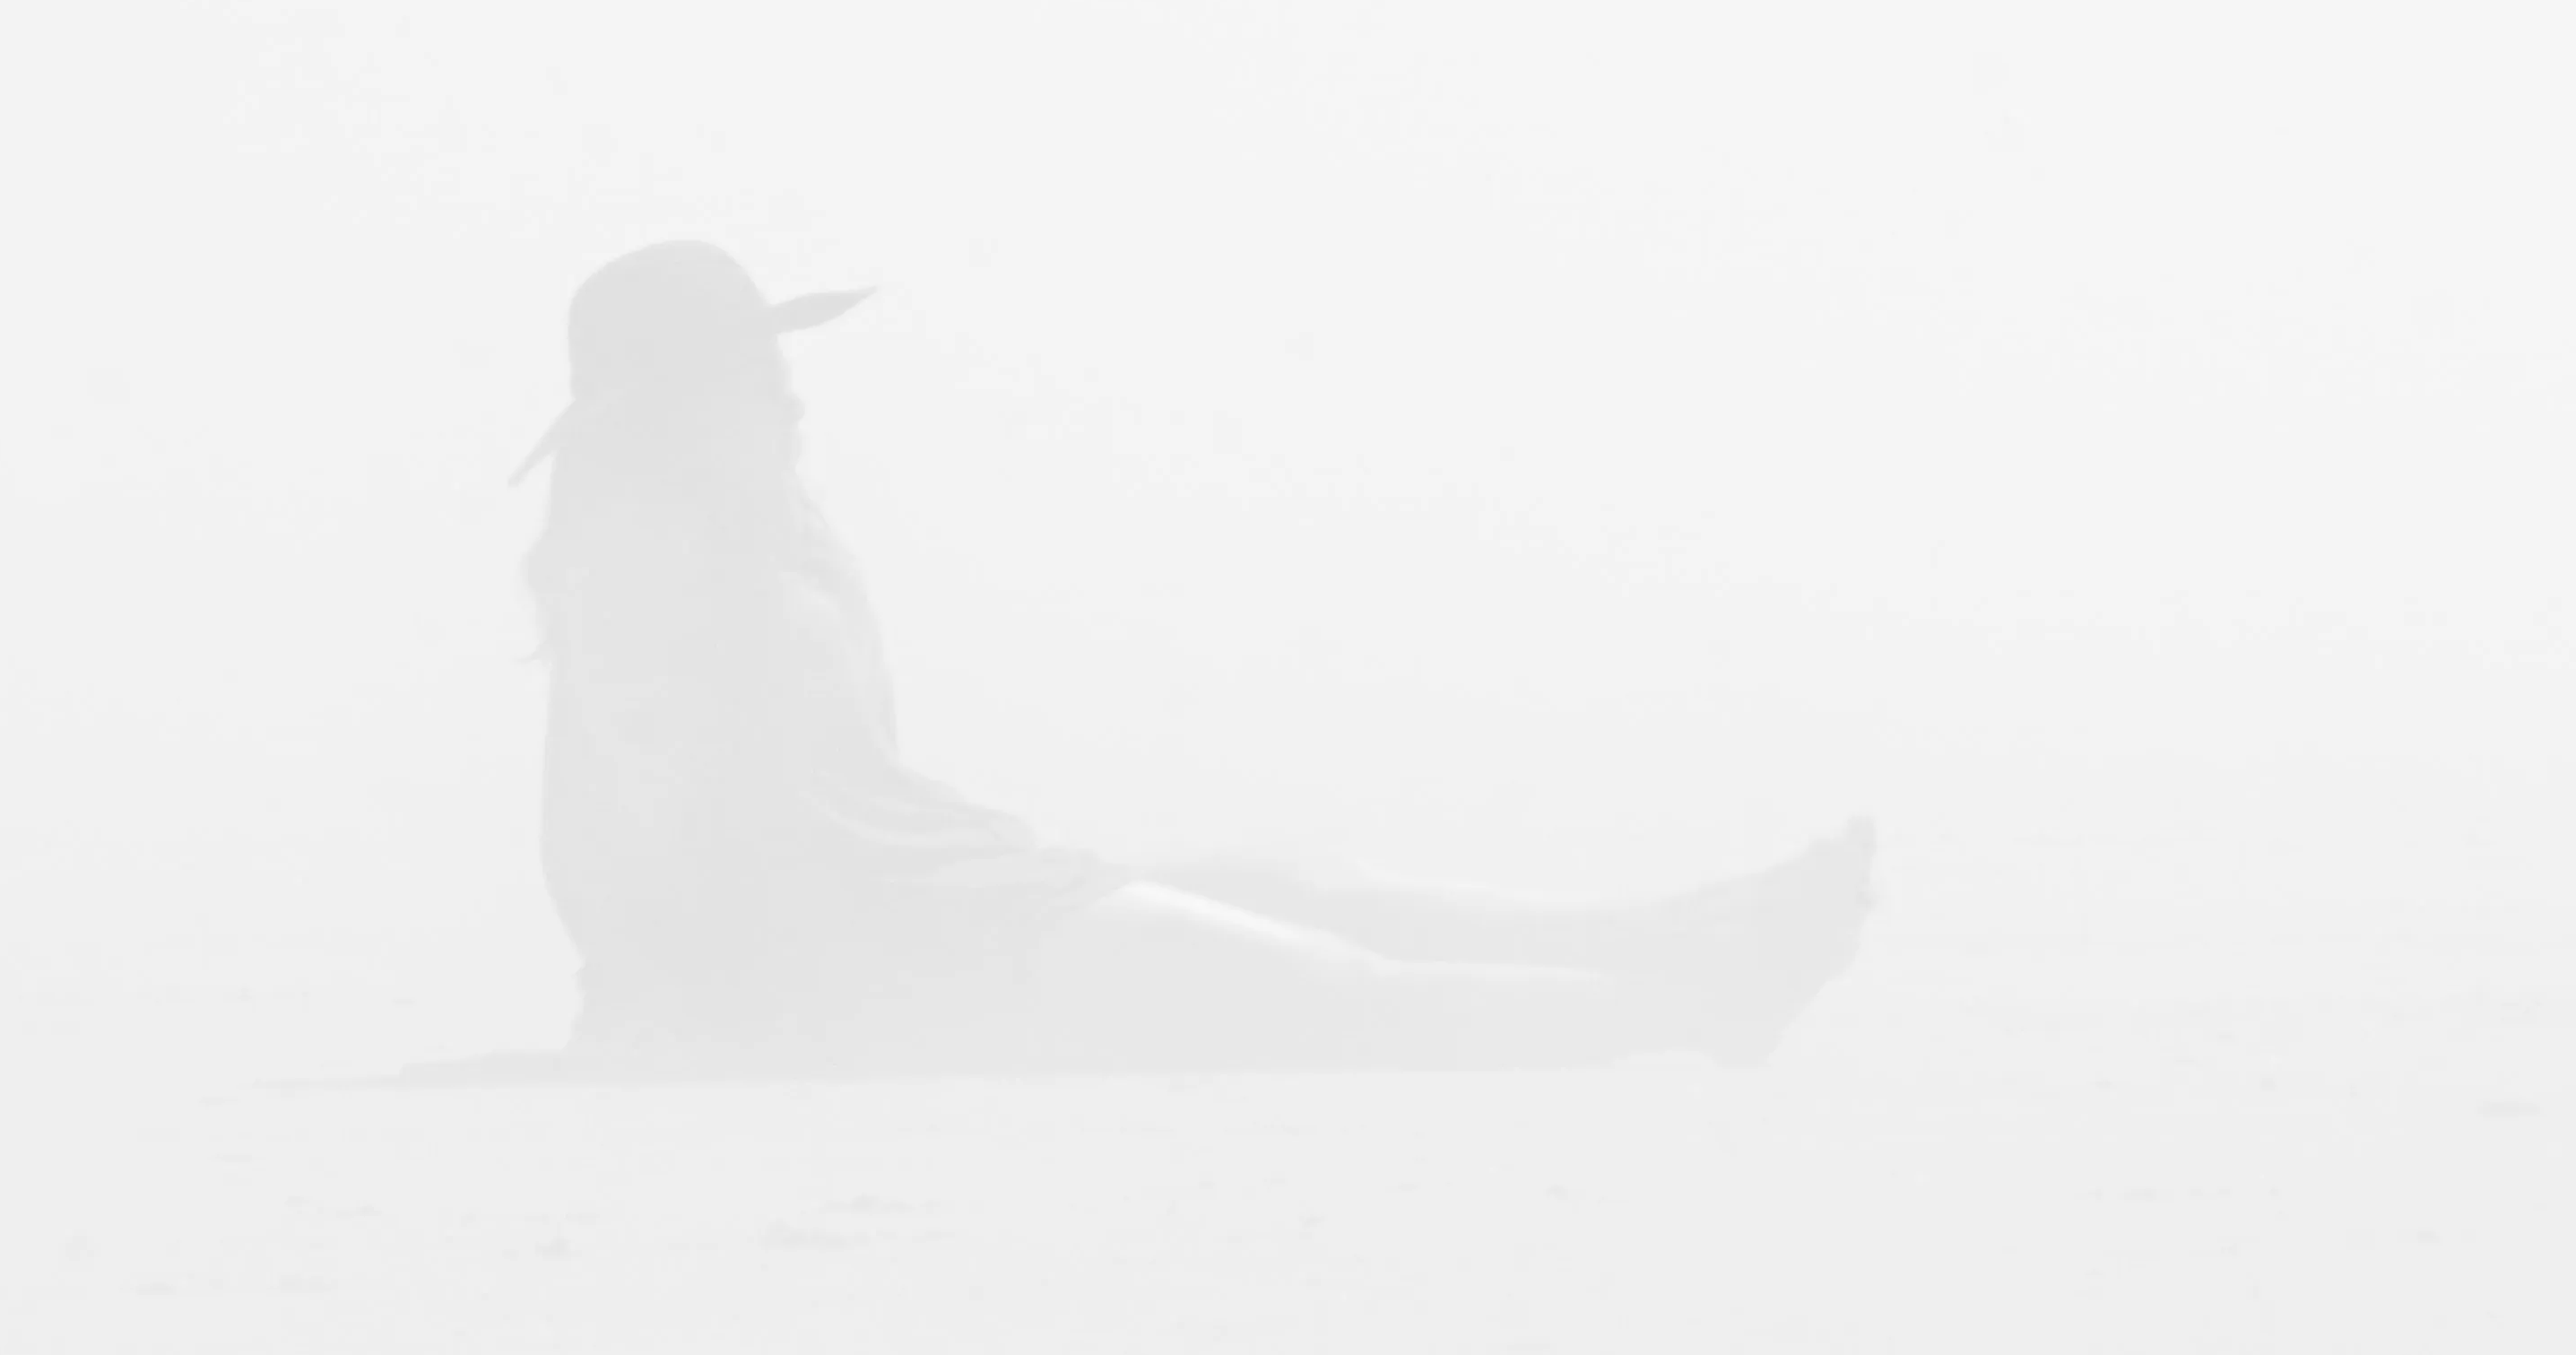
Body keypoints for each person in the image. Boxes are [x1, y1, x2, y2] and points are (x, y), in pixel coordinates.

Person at [516, 240, 1875, 1073]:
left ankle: (1691, 929)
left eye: (771, 368)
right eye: (746, 374)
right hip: (897, 954)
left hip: (945, 886)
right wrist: (682, 1009)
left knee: (1296, 889)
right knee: (1339, 998)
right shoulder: (642, 575)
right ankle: (1694, 1001)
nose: (783, 394)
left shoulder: (754, 522)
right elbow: (648, 832)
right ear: (667, 409)